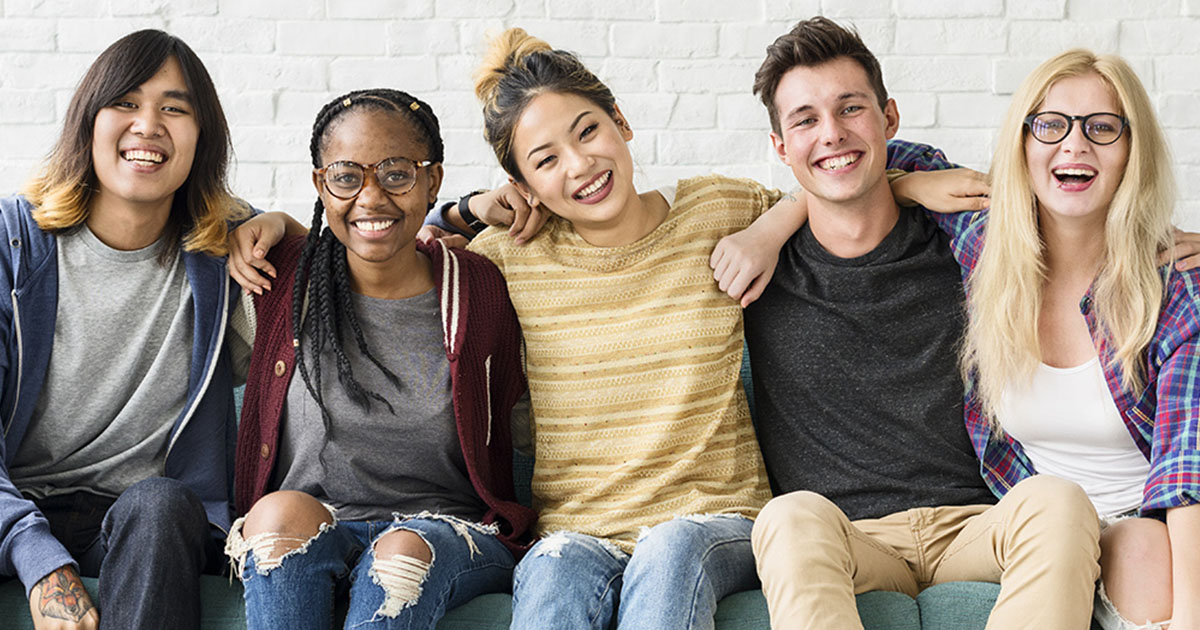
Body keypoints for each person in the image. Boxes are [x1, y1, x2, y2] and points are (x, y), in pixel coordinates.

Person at [718, 17, 1104, 630]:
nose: (833, 134)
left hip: (977, 523)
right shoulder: (759, 265)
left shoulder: (965, 239)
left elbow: (1077, 223)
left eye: (851, 109)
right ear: (780, 146)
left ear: (889, 119)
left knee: (1059, 502)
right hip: (848, 535)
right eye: (806, 120)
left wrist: (1166, 246)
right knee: (787, 518)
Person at [889, 49, 1198, 630]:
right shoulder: (986, 245)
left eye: (1102, 128)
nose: (1075, 145)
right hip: (1037, 523)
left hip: (1145, 527)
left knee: (1141, 550)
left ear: (1134, 151)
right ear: (1023, 145)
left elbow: (1188, 473)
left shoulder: (1175, 286)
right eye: (1051, 124)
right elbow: (855, 153)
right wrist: (913, 187)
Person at [222, 88, 535, 630]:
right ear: (321, 184)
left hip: (445, 534)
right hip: (321, 524)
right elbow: (181, 202)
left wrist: (469, 210)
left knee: (399, 557)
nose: (370, 197)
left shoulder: (480, 286)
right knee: (274, 515)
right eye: (346, 176)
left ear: (432, 180)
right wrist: (265, 219)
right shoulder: (281, 277)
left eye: (396, 173)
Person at [0, 29, 246, 630]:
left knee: (159, 505)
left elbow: (366, 229)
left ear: (200, 138)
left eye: (174, 108)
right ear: (89, 121)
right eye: (126, 103)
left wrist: (456, 212)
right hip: (17, 506)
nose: (148, 125)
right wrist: (37, 557)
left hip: (146, 526)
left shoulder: (226, 255)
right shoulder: (13, 243)